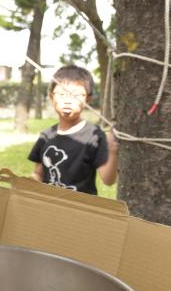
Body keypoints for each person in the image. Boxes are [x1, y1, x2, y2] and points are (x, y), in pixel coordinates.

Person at [28, 65, 118, 195]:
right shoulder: (46, 136)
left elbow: (108, 180)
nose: (67, 101)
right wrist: (27, 183)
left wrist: (113, 151)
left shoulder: (94, 135)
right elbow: (38, 174)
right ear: (51, 97)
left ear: (88, 99)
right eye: (62, 94)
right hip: (50, 208)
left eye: (75, 95)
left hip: (82, 211)